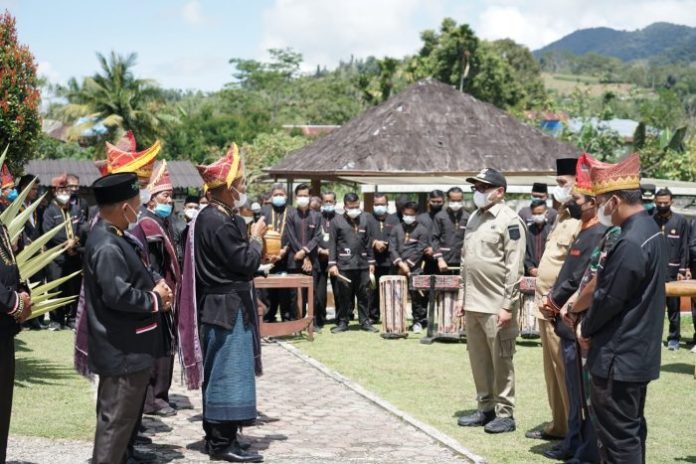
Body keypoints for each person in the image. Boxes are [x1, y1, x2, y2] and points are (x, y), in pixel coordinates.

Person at [177, 144, 265, 463]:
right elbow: (245, 262)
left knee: (225, 372)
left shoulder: (210, 217)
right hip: (225, 307)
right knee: (226, 373)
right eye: (239, 184)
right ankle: (220, 443)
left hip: (222, 303)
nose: (241, 190)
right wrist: (256, 237)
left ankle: (224, 436)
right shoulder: (218, 220)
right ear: (226, 189)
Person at [580, 154, 666, 463]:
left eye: (601, 200)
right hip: (637, 352)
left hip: (618, 356)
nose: (600, 208)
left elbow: (608, 298)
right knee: (630, 433)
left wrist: (585, 328)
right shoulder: (651, 231)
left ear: (614, 200)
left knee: (618, 440)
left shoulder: (630, 241)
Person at [84, 172, 173, 464]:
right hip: (121, 352)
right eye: (137, 203)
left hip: (128, 350)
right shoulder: (107, 245)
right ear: (125, 208)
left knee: (119, 434)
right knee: (113, 432)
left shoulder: (115, 236)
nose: (139, 209)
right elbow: (118, 295)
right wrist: (155, 299)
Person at [539, 155, 606, 462]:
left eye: (578, 198)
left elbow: (582, 278)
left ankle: (582, 449)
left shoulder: (596, 234)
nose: (574, 202)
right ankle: (573, 442)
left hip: (573, 320)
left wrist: (555, 303)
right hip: (562, 321)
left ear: (592, 202)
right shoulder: (581, 228)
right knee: (572, 387)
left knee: (580, 393)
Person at [456, 168, 525, 434]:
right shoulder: (474, 217)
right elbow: (465, 261)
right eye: (476, 188)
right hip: (473, 303)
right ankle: (485, 408)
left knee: (502, 361)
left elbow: (514, 266)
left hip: (497, 305)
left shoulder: (510, 220)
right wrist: (463, 296)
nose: (478, 192)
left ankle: (505, 414)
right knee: (479, 360)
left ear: (500, 192)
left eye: (484, 188)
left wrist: (508, 304)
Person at [526, 157, 580, 442]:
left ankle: (574, 431)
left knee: (566, 372)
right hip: (545, 305)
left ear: (577, 183)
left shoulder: (582, 219)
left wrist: (563, 303)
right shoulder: (560, 215)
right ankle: (558, 425)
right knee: (552, 371)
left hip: (561, 308)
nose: (557, 188)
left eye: (562, 183)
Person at [134, 161, 181, 419]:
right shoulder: (148, 223)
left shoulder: (163, 221)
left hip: (168, 291)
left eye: (171, 196)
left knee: (167, 345)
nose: (169, 200)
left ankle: (161, 394)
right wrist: (160, 288)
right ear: (151, 199)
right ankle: (154, 398)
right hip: (158, 291)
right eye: (165, 195)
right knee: (158, 347)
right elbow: (150, 262)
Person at [0, 210, 32, 463]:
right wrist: (14, 302)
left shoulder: (1, 224)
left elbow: (10, 266)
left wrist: (23, 291)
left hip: (4, 327)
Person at [328, 192, 378, 333]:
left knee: (364, 294)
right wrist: (332, 264)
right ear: (345, 206)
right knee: (344, 295)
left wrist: (371, 262)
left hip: (362, 265)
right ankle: (343, 322)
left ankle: (365, 321)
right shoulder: (336, 221)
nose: (354, 209)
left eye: (357, 206)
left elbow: (368, 243)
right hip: (344, 265)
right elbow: (332, 245)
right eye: (351, 207)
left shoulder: (365, 219)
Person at [42, 174, 83, 330]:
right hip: (57, 258)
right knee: (56, 289)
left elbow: (82, 228)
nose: (65, 192)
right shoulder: (50, 211)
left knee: (73, 288)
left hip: (74, 256)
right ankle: (56, 319)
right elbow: (49, 233)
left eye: (66, 189)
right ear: (54, 191)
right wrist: (67, 244)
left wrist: (76, 241)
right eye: (61, 189)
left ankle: (72, 318)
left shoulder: (75, 209)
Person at [653, 188, 689, 351]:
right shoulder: (650, 220)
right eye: (659, 202)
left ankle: (674, 338)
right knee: (654, 308)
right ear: (655, 202)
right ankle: (654, 338)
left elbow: (684, 247)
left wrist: (682, 269)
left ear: (671, 202)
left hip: (673, 273)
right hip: (653, 273)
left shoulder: (680, 221)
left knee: (673, 308)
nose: (662, 205)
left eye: (665, 202)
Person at [388, 201, 429, 330]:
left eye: (411, 214)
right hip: (397, 268)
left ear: (416, 214)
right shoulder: (396, 228)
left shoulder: (422, 230)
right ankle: (396, 321)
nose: (408, 217)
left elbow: (420, 250)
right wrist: (400, 264)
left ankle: (418, 321)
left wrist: (407, 265)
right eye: (405, 214)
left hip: (415, 269)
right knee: (396, 295)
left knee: (417, 296)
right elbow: (392, 248)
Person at [283, 183, 321, 316]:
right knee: (295, 293)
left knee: (312, 292)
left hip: (312, 260)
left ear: (310, 196)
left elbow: (317, 237)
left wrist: (305, 252)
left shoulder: (317, 216)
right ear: (295, 197)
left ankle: (312, 322)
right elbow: (291, 237)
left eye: (305, 195)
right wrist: (303, 255)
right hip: (295, 260)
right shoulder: (290, 214)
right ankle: (296, 321)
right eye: (300, 196)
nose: (303, 198)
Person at [262, 183, 294, 322]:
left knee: (285, 289)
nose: (279, 197)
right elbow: (259, 232)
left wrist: (283, 251)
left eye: (281, 195)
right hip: (266, 257)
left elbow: (294, 234)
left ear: (286, 196)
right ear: (271, 196)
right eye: (276, 195)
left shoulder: (292, 212)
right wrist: (266, 253)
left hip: (286, 256)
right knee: (268, 290)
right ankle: (269, 316)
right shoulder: (265, 211)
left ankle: (286, 316)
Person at [366, 193, 399, 325]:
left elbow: (398, 237)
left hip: (389, 261)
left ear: (387, 204)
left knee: (390, 290)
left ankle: (390, 316)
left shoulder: (394, 219)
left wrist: (386, 244)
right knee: (372, 291)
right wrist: (374, 242)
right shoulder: (367, 219)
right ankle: (373, 316)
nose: (379, 206)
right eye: (377, 204)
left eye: (382, 204)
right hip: (372, 261)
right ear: (373, 205)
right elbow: (363, 237)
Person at [313, 192, 339, 332]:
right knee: (320, 293)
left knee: (338, 291)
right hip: (320, 260)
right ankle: (319, 320)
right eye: (326, 201)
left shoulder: (340, 219)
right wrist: (320, 251)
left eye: (331, 201)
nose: (328, 203)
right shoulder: (317, 218)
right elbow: (312, 238)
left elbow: (343, 239)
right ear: (322, 202)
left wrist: (333, 254)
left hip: (335, 261)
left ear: (335, 202)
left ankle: (340, 319)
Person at [432, 187, 469, 275]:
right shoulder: (440, 217)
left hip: (463, 262)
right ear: (448, 199)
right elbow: (434, 239)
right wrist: (439, 259)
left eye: (459, 200)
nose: (456, 203)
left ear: (462, 199)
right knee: (444, 287)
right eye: (453, 200)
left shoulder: (468, 217)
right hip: (444, 262)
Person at [417, 190, 445, 275]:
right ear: (428, 201)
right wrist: (426, 249)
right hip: (426, 258)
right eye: (433, 201)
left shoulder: (447, 218)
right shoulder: (421, 219)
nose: (436, 204)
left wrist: (437, 250)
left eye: (439, 202)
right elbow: (418, 237)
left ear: (444, 201)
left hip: (444, 258)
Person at [523, 199, 551, 277]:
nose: (537, 216)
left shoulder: (552, 231)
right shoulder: (527, 230)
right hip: (529, 273)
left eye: (539, 213)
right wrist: (530, 268)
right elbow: (523, 251)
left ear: (546, 212)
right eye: (534, 213)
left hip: (547, 273)